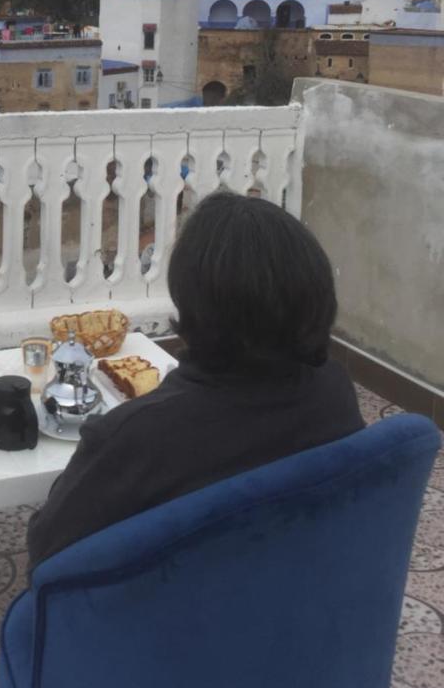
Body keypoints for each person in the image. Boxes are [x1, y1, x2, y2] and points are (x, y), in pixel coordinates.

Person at [26, 189, 364, 570]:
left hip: (164, 621)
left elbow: (46, 551)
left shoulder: (139, 435)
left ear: (191, 300)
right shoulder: (334, 392)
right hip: (298, 600)